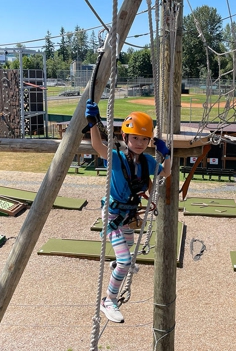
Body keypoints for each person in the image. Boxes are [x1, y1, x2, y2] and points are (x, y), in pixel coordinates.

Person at [85, 99, 171, 323]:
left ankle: (117, 266)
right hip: (113, 215)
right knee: (125, 261)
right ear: (125, 138)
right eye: (135, 138)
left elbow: (166, 173)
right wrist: (92, 122)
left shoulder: (148, 162)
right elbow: (97, 147)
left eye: (144, 139)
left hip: (128, 215)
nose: (140, 143)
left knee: (129, 247)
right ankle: (108, 300)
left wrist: (167, 155)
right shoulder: (117, 159)